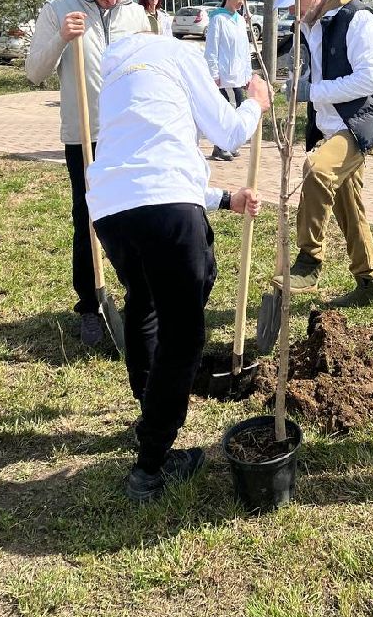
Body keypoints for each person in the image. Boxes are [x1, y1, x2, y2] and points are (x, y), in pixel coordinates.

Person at [85, 32, 271, 502]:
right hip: (164, 211)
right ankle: (151, 466)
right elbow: (228, 131)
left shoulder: (118, 73)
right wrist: (255, 103)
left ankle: (150, 407)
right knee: (183, 334)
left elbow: (149, 165)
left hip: (110, 211)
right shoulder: (178, 53)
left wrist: (223, 199)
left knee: (145, 302)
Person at [25, 0, 150, 347]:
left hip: (130, 132)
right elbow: (34, 72)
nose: (112, 0)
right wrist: (62, 37)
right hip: (85, 135)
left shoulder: (135, 14)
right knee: (88, 219)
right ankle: (90, 306)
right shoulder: (59, 9)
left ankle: (139, 295)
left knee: (136, 215)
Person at [272, 0, 373, 307]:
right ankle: (369, 282)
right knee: (349, 205)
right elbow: (315, 70)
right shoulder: (309, 23)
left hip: (363, 119)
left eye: (295, 2)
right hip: (331, 124)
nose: (291, 11)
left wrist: (311, 91)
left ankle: (309, 261)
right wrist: (300, 81)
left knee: (317, 170)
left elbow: (365, 81)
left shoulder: (358, 19)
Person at [204, 0, 253, 162]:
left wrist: (247, 74)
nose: (241, 2)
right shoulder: (218, 19)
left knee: (238, 107)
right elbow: (211, 49)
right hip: (224, 76)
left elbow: (245, 50)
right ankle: (220, 146)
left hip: (238, 76)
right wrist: (214, 74)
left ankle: (229, 143)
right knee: (227, 109)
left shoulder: (240, 20)